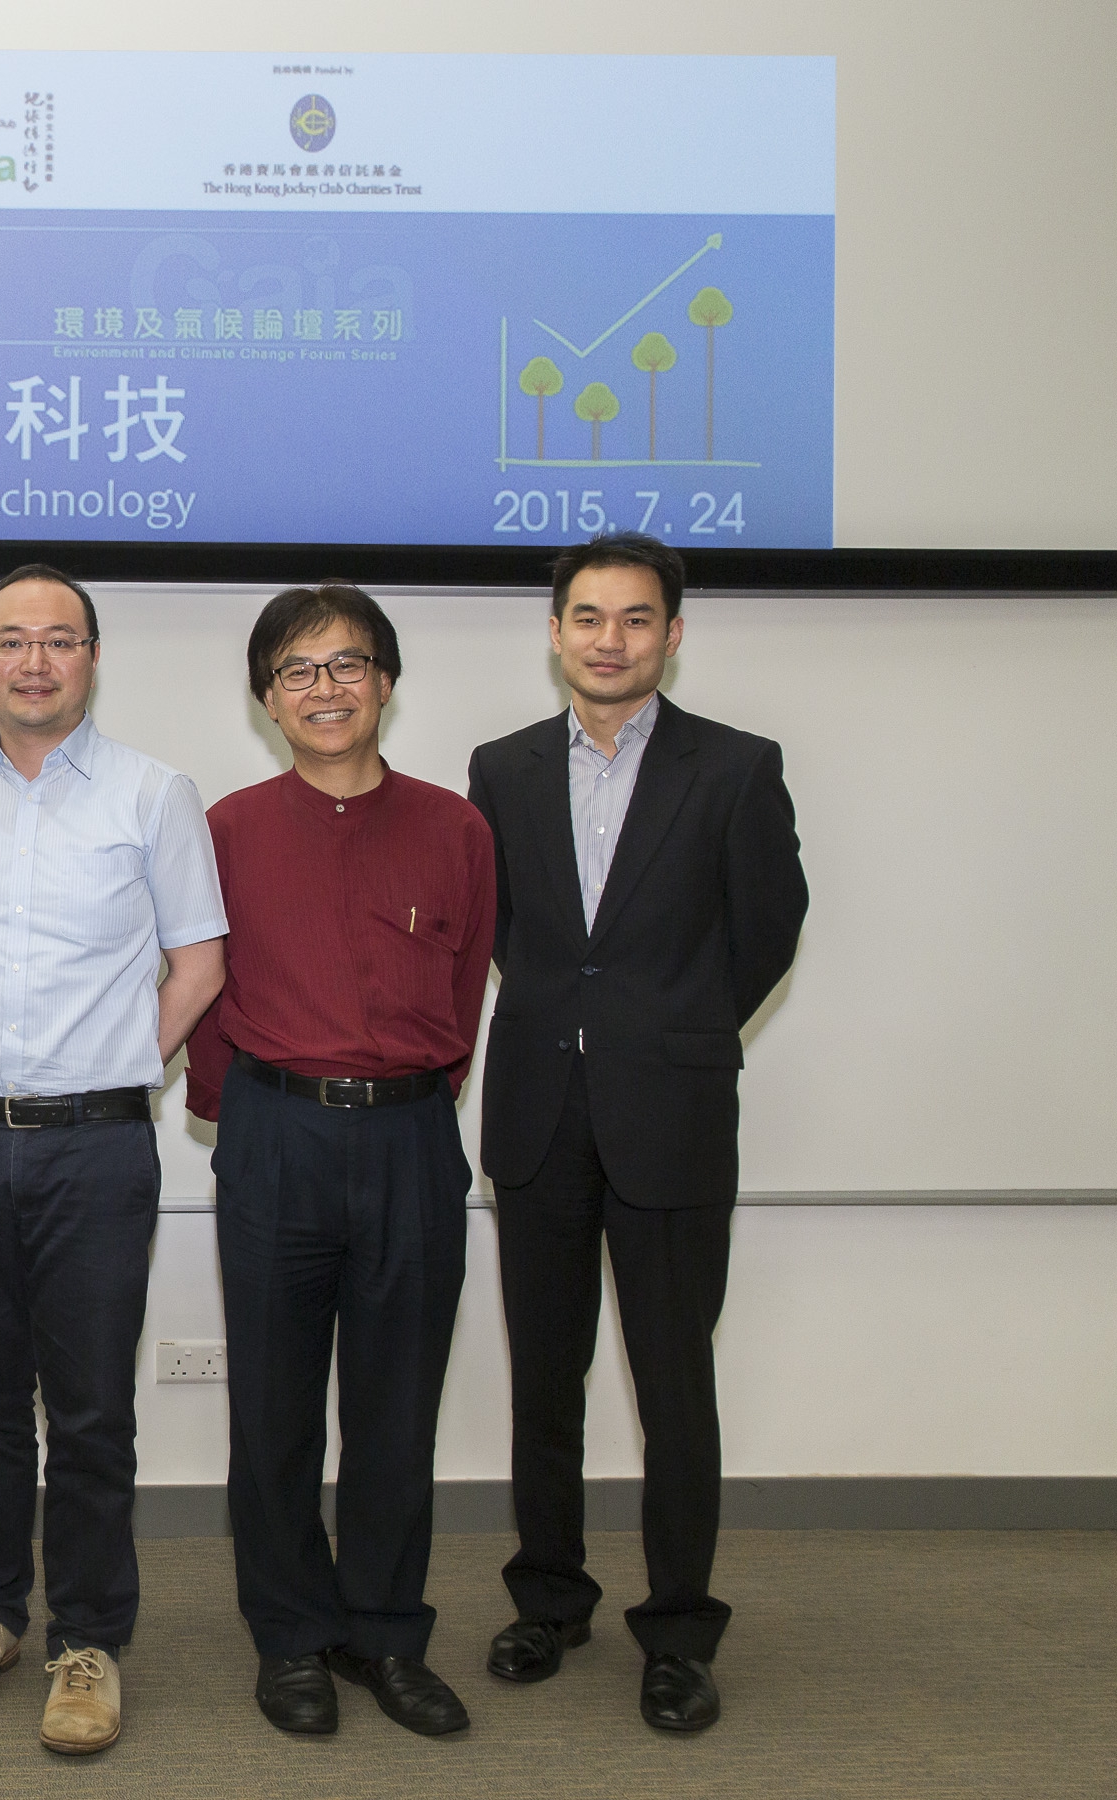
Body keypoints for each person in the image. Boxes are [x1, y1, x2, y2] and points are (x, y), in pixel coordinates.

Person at [466, 533, 807, 1733]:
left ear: (671, 634)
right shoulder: (500, 768)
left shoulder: (735, 767)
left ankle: (677, 1629)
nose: (611, 640)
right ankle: (549, 1599)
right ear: (554, 632)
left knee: (675, 1387)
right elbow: (502, 930)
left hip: (670, 1117)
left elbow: (768, 931)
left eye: (637, 619)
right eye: (589, 618)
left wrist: (662, 1029)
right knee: (544, 1382)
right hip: (539, 1117)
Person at [0, 566, 228, 1755]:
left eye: (59, 641)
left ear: (91, 658)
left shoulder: (154, 794)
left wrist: (111, 1066)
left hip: (97, 1150)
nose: (33, 662)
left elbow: (199, 964)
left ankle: (88, 1637)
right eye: (10, 641)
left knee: (90, 1408)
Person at [183, 583, 495, 1740]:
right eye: (299, 672)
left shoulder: (456, 827)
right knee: (272, 1408)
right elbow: (205, 989)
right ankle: (293, 1637)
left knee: (396, 1405)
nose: (326, 689)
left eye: (348, 665)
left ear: (387, 682)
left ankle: (385, 1633)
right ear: (268, 699)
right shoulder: (227, 828)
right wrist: (241, 1120)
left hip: (413, 1137)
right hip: (275, 1135)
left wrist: (418, 1096)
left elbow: (464, 993)